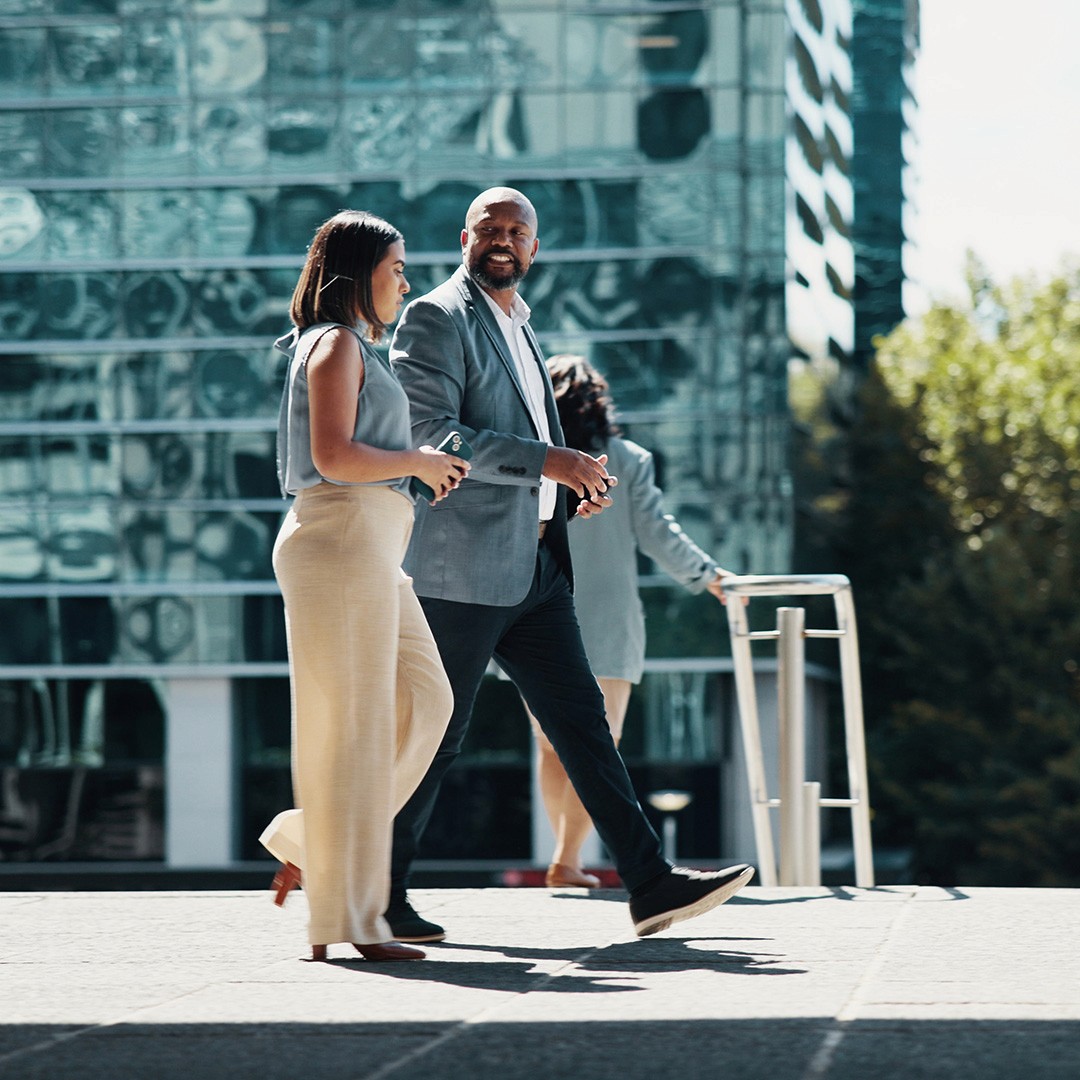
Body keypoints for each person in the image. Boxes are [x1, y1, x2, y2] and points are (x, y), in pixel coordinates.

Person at [386, 186, 754, 942]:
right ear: (464, 237)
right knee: (437, 731)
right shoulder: (435, 317)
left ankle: (650, 883)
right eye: (491, 228)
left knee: (585, 726)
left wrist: (563, 488)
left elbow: (518, 446)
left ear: (535, 248)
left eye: (518, 231)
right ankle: (377, 886)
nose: (504, 240)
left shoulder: (521, 323)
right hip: (463, 568)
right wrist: (549, 459)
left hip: (537, 567)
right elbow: (435, 436)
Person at [258, 210, 470, 963]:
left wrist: (417, 467)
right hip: (342, 535)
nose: (406, 282)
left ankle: (308, 847)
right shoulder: (336, 343)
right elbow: (334, 455)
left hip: (372, 542)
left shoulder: (354, 347)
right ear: (359, 274)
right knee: (352, 729)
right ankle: (349, 919)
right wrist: (415, 461)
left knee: (428, 700)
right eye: (398, 268)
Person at [529, 354, 736, 888]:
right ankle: (567, 860)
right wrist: (710, 575)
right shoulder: (627, 459)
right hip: (607, 623)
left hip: (531, 616)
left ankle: (566, 857)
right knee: (597, 743)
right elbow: (660, 534)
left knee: (551, 747)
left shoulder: (533, 461)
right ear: (599, 401)